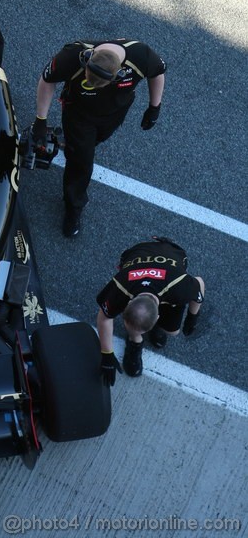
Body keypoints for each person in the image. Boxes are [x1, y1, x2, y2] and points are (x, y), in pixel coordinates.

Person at [32, 39, 166, 237]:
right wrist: (40, 120)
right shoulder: (71, 56)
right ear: (87, 60)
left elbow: (157, 73)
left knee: (92, 144)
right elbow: (47, 80)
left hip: (114, 115)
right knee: (82, 163)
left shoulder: (141, 56)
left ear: (119, 73)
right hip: (79, 116)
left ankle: (78, 147)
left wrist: (155, 107)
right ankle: (74, 206)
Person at [96, 237, 205, 383]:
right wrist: (107, 353)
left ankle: (144, 331)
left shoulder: (180, 287)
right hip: (140, 254)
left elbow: (199, 282)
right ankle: (135, 341)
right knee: (136, 320)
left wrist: (193, 316)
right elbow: (104, 317)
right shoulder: (120, 286)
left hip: (171, 254)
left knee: (173, 331)